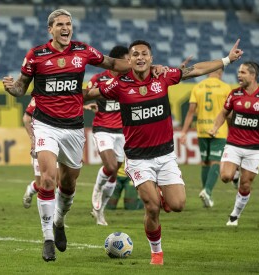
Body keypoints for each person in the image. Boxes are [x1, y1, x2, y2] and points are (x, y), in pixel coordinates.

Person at [2, 9, 164, 262]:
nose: (66, 28)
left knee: (68, 186)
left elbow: (112, 63)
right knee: (47, 179)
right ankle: (46, 239)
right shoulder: (36, 55)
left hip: (74, 127)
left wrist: (146, 66)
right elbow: (22, 86)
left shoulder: (83, 51)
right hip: (45, 124)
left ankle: (59, 220)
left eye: (69, 24)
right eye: (60, 25)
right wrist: (13, 89)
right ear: (50, 30)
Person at [84, 39, 243, 265]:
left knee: (177, 205)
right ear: (128, 60)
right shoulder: (119, 85)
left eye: (144, 54)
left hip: (165, 155)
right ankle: (156, 252)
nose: (140, 58)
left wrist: (227, 59)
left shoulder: (163, 76)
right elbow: (89, 93)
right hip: (138, 159)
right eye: (135, 54)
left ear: (151, 58)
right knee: (152, 207)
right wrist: (51, 97)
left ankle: (162, 194)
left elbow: (195, 69)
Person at [208, 61, 259, 227]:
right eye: (239, 72)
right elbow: (223, 113)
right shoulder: (234, 94)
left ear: (252, 75)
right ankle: (234, 174)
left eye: (242, 72)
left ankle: (235, 215)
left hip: (254, 149)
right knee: (226, 177)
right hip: (234, 144)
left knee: (245, 184)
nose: (238, 75)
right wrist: (215, 127)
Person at [87, 45, 129, 226]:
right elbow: (82, 96)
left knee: (114, 175)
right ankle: (96, 189)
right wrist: (84, 106)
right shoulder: (98, 79)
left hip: (122, 131)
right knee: (110, 166)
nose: (130, 63)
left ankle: (100, 212)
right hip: (103, 128)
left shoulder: (129, 79)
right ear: (117, 62)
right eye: (127, 59)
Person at [180, 68, 231, 208]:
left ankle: (206, 195)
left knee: (205, 162)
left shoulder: (198, 87)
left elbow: (190, 112)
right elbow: (229, 113)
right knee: (216, 161)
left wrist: (184, 132)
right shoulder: (226, 88)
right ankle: (207, 191)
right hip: (218, 130)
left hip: (202, 129)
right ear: (221, 73)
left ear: (209, 72)